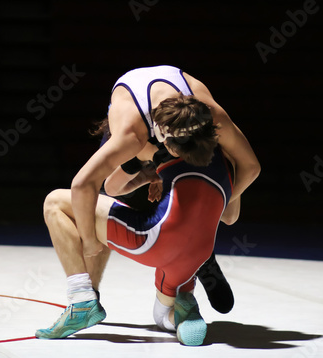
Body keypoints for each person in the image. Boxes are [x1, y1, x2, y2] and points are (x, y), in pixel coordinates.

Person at [36, 95, 240, 345]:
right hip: (196, 254)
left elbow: (106, 187)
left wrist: (147, 174)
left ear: (172, 144)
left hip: (154, 242)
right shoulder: (228, 160)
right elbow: (230, 216)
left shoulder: (156, 149)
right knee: (163, 309)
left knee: (55, 201)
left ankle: (81, 301)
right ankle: (182, 307)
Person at [87, 65, 260, 313]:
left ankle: (199, 249)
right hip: (139, 128)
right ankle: (87, 294)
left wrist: (217, 204)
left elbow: (251, 167)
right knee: (113, 191)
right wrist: (156, 174)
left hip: (172, 127)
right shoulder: (130, 132)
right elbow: (110, 187)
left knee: (230, 214)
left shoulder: (212, 116)